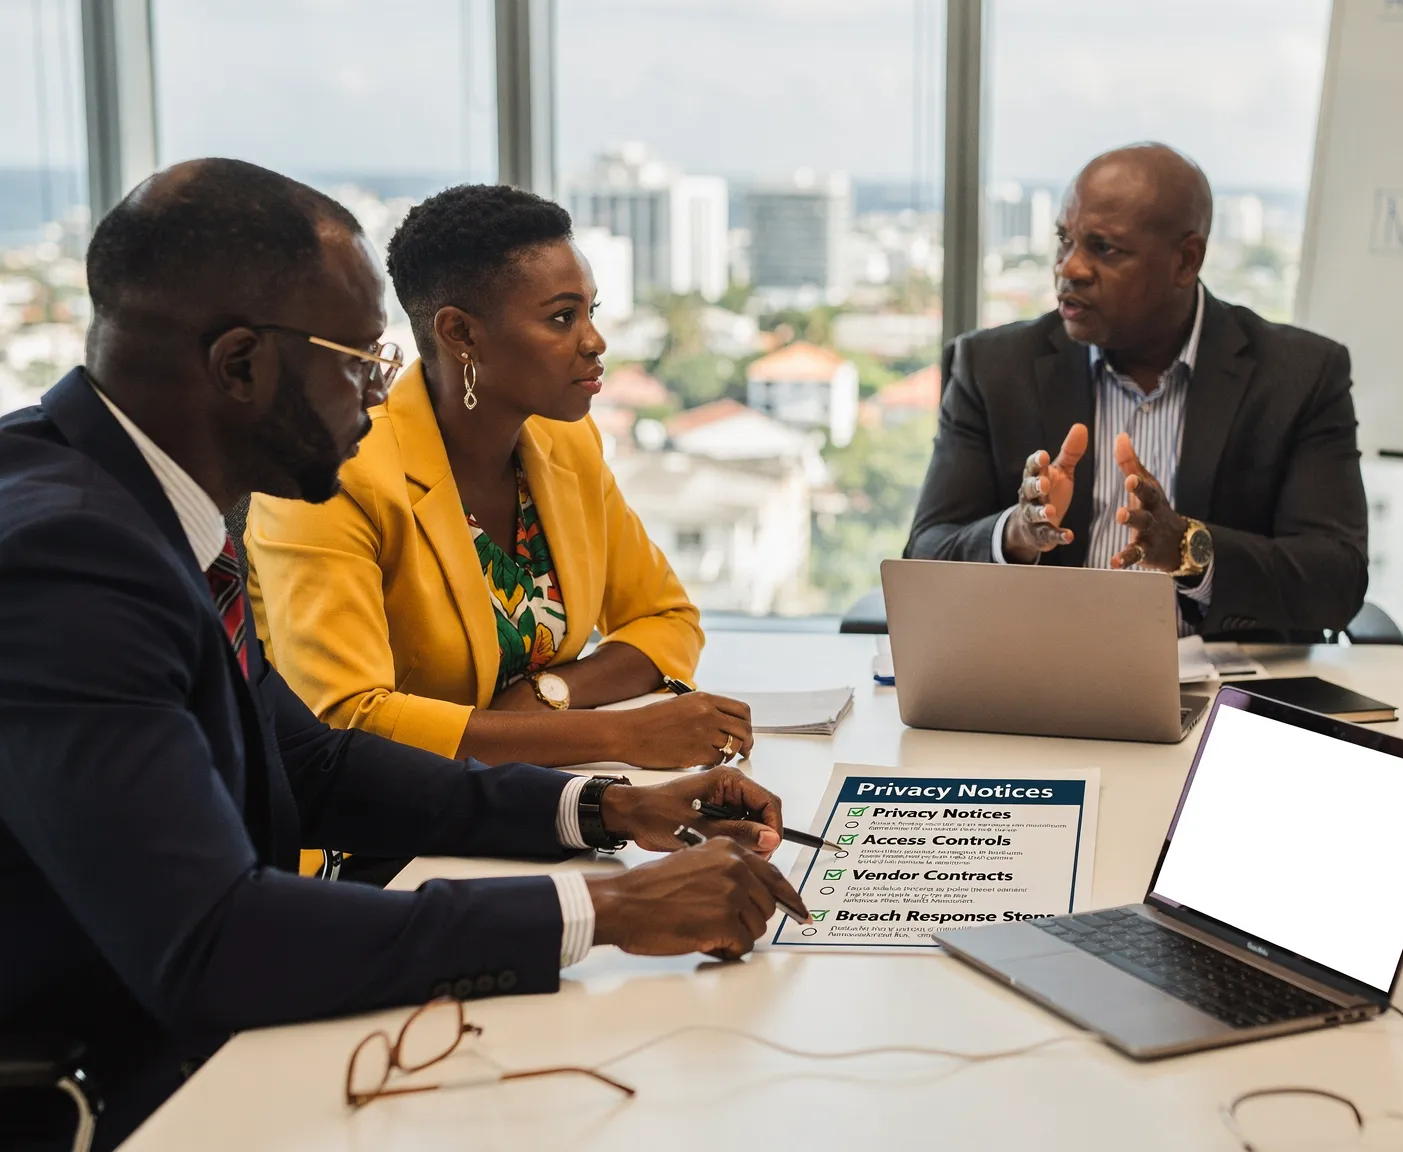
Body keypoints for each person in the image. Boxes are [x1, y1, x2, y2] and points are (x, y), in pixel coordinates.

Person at [0, 159, 807, 1149]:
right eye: (359, 363)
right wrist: (609, 908)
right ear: (239, 365)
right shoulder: (67, 558)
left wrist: (608, 808)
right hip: (112, 1092)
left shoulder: (140, 507)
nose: (380, 398)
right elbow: (216, 939)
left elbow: (313, 761)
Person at [245, 184, 749, 772]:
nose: (594, 341)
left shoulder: (568, 444)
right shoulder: (334, 477)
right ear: (460, 334)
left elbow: (666, 619)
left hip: (545, 802)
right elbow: (348, 722)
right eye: (562, 318)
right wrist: (615, 737)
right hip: (380, 842)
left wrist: (549, 695)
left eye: (592, 312)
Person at [905, 143, 1368, 638]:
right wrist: (1015, 534)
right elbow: (924, 559)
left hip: (1223, 689)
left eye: (1104, 248)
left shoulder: (1298, 376)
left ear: (1185, 261)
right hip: (1039, 688)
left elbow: (1335, 581)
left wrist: (1189, 548)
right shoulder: (992, 369)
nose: (1070, 268)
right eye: (1065, 241)